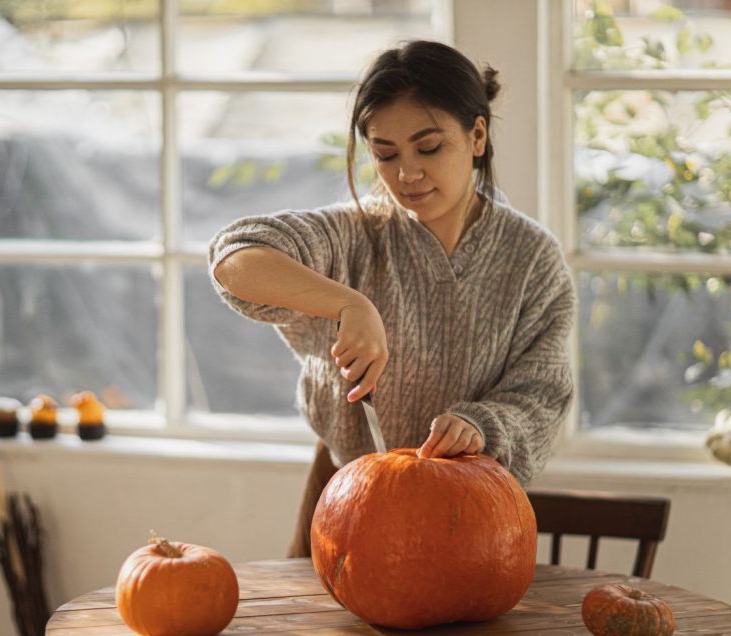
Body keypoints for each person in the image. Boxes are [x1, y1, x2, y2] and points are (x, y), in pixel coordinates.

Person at [207, 40, 576, 558]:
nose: (407, 174)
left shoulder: (533, 258)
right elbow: (234, 256)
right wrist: (348, 303)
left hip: (475, 513)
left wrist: (479, 426)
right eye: (385, 154)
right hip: (349, 498)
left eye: (429, 148)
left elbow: (541, 395)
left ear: (476, 135)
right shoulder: (351, 237)